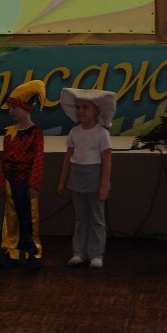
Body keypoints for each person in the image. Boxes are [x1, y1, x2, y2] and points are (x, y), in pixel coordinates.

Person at [56, 87, 116, 269]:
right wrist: (62, 181)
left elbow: (107, 162)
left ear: (96, 110)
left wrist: (103, 186)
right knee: (81, 218)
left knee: (96, 218)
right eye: (78, 107)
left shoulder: (102, 134)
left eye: (85, 107)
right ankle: (79, 252)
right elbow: (68, 158)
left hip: (95, 179)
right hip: (77, 178)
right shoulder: (74, 132)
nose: (80, 111)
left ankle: (96, 254)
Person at [0, 79, 46, 270]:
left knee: (29, 218)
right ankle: (11, 251)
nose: (11, 111)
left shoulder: (36, 133)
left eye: (14, 107)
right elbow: (4, 158)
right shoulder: (9, 133)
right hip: (11, 181)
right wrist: (1, 180)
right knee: (11, 217)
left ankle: (34, 252)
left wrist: (34, 184)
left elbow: (38, 159)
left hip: (26, 182)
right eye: (10, 107)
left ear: (26, 108)